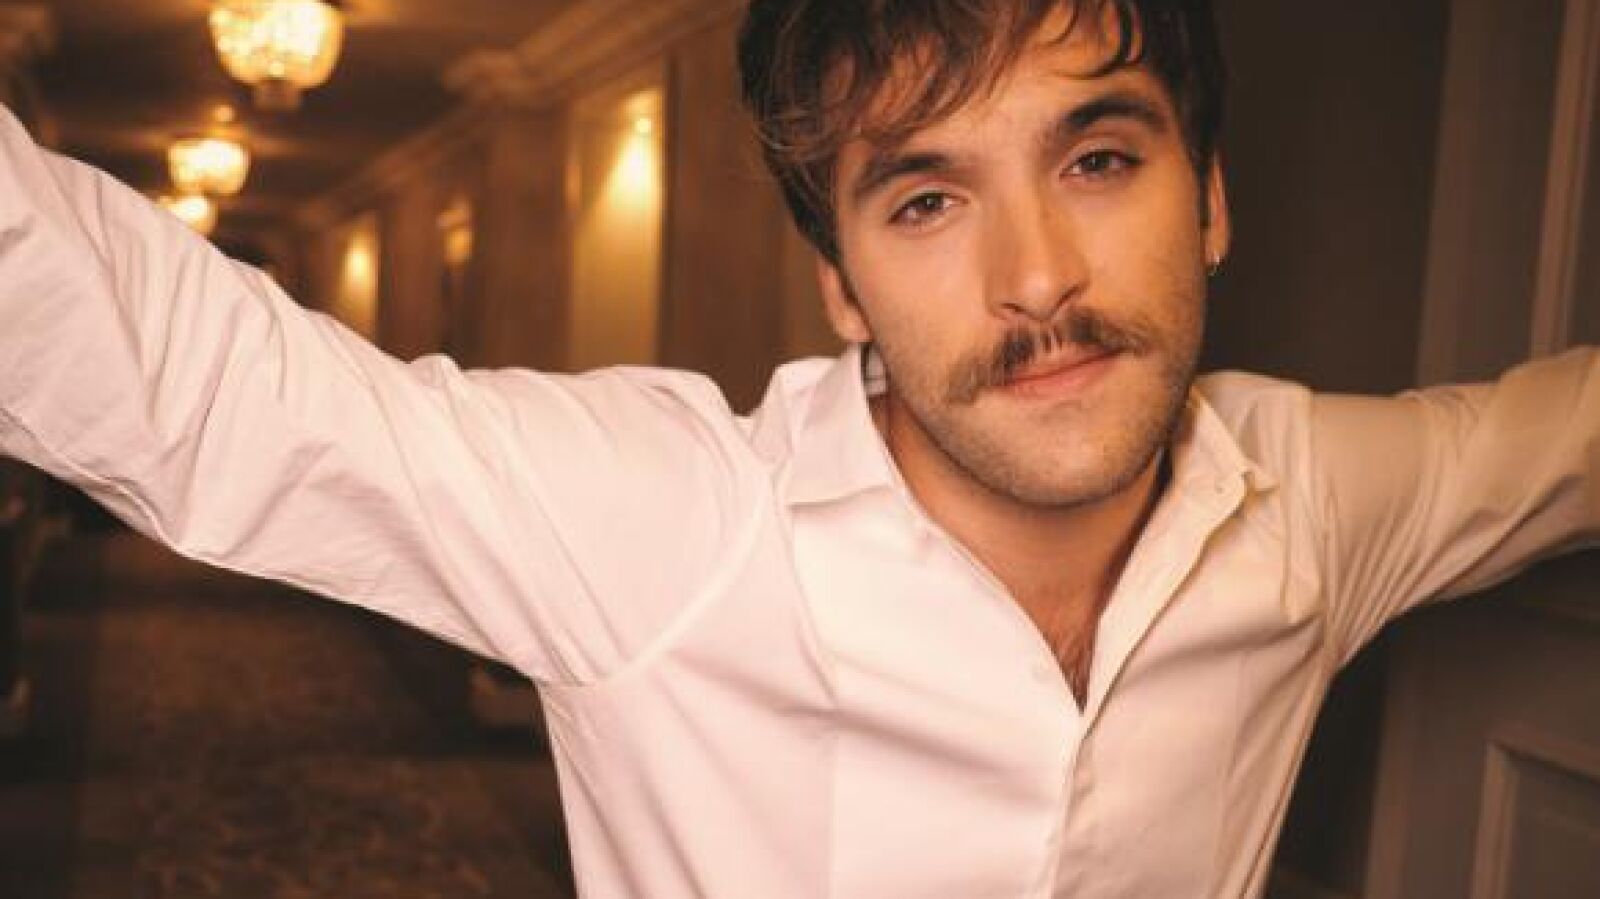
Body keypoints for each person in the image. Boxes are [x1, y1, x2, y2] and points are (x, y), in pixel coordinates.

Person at [0, 0, 1594, 896]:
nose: (1037, 277)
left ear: (1212, 197)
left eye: (1099, 158)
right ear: (841, 283)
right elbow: (206, 382)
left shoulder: (1310, 502)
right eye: (927, 198)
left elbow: (1561, 438)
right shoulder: (671, 527)